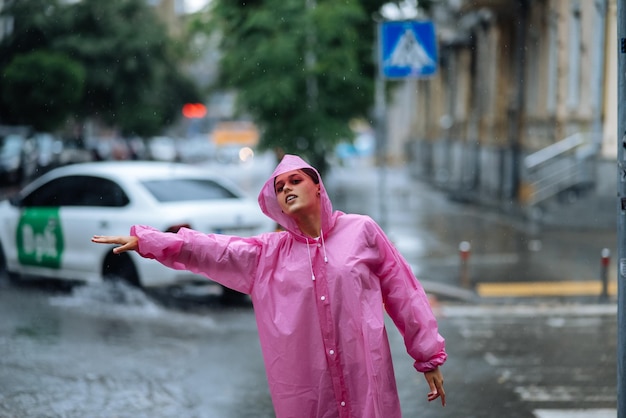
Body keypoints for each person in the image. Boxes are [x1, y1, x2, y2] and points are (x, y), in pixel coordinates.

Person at [92, 154, 447, 418]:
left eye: (295, 181)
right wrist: (149, 241)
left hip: (364, 380)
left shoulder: (362, 231)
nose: (287, 189)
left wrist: (427, 355)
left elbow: (403, 290)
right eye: (280, 187)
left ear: (317, 185)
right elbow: (213, 249)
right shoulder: (268, 255)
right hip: (310, 393)